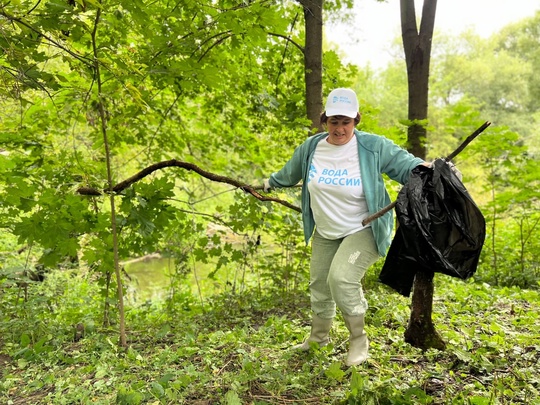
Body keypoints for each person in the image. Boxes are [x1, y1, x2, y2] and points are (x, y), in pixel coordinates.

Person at [263, 88, 427, 366]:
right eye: (334, 121)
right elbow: (289, 173)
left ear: (355, 121)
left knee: (340, 279)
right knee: (319, 285)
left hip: (363, 228)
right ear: (325, 120)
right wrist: (269, 183)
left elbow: (406, 165)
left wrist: (430, 169)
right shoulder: (312, 147)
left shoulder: (372, 147)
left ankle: (358, 341)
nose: (340, 128)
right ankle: (318, 338)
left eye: (346, 121)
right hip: (326, 230)